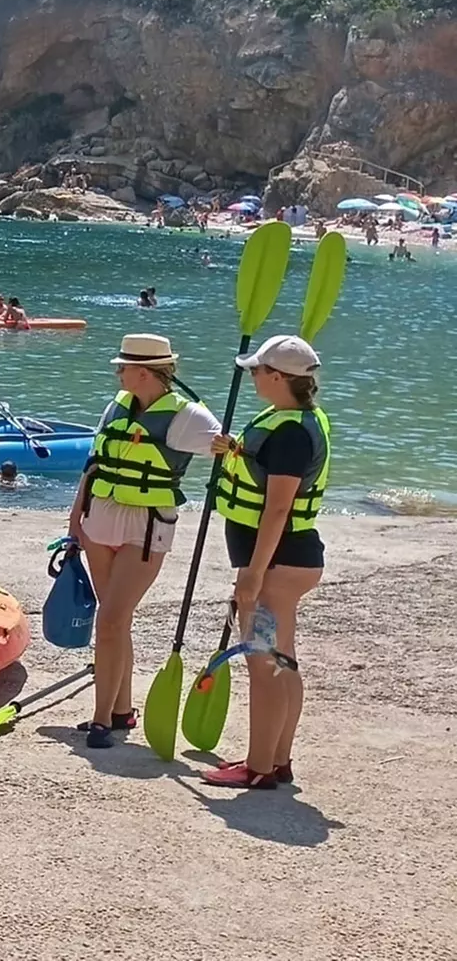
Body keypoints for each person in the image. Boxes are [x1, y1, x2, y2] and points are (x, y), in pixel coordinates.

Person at [67, 334, 219, 749]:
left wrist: (226, 447)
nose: (117, 372)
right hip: (100, 519)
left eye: (123, 366)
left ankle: (100, 720)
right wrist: (73, 519)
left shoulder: (188, 417)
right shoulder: (116, 406)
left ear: (145, 372)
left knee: (112, 618)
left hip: (146, 525)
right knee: (115, 618)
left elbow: (229, 448)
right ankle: (120, 709)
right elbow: (94, 464)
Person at [202, 335, 330, 789]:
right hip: (290, 559)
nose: (252, 375)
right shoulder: (289, 420)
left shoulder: (292, 432)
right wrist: (234, 448)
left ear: (279, 378)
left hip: (276, 565)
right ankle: (277, 759)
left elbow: (278, 507)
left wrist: (252, 575)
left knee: (263, 664)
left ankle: (258, 768)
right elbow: (266, 466)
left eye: (258, 370)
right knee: (282, 662)